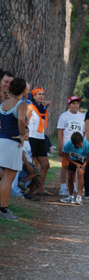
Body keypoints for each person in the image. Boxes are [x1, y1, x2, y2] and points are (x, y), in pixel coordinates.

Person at [0, 78, 28, 220]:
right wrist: (22, 135)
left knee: (3, 177)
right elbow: (21, 120)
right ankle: (3, 210)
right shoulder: (21, 104)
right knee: (8, 179)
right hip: (12, 142)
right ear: (24, 91)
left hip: (2, 141)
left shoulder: (4, 103)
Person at [57, 96, 85, 197]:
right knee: (65, 166)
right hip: (67, 145)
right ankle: (63, 187)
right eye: (73, 103)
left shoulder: (82, 116)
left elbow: (84, 132)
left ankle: (73, 186)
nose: (75, 105)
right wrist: (60, 146)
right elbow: (60, 132)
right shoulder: (64, 116)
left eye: (77, 103)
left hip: (78, 147)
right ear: (69, 105)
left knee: (75, 166)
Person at [26, 87, 51, 196]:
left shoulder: (43, 109)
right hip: (31, 138)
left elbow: (46, 119)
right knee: (29, 165)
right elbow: (25, 122)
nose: (41, 96)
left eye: (42, 94)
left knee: (45, 165)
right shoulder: (30, 108)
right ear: (34, 96)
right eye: (39, 94)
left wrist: (46, 107)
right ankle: (26, 187)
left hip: (41, 138)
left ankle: (41, 188)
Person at [60, 132, 89, 205]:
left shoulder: (86, 144)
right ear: (73, 144)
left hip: (83, 160)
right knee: (70, 176)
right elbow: (66, 156)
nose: (81, 145)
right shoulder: (68, 144)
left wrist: (83, 166)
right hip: (73, 160)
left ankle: (79, 197)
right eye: (78, 144)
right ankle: (71, 196)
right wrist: (76, 164)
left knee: (81, 174)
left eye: (81, 143)